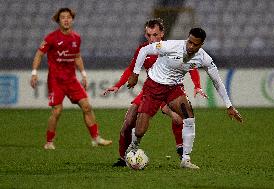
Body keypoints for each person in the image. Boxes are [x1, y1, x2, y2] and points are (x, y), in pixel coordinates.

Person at [127, 27, 243, 169]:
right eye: (190, 42)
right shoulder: (170, 46)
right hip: (154, 86)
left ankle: (185, 159)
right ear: (187, 39)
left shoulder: (204, 58)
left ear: (201, 45)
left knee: (189, 116)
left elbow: (217, 81)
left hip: (174, 88)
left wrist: (229, 106)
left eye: (195, 44)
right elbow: (144, 50)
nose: (191, 46)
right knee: (140, 130)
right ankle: (133, 147)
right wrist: (135, 74)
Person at [102, 19, 207, 166]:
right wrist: (117, 85)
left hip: (171, 89)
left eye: (155, 34)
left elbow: (192, 67)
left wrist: (197, 85)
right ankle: (124, 157)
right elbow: (131, 69)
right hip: (151, 90)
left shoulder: (171, 48)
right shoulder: (143, 49)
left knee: (178, 118)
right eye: (148, 35)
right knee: (128, 121)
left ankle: (182, 151)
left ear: (162, 33)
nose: (151, 38)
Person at [30, 8, 112, 150]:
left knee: (86, 106)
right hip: (56, 80)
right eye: (63, 17)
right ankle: (49, 142)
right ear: (58, 20)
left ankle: (96, 138)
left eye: (68, 17)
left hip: (71, 80)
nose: (66, 20)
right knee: (57, 110)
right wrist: (34, 72)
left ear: (72, 19)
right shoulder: (51, 38)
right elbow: (39, 54)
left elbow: (77, 56)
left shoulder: (76, 38)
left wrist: (83, 74)